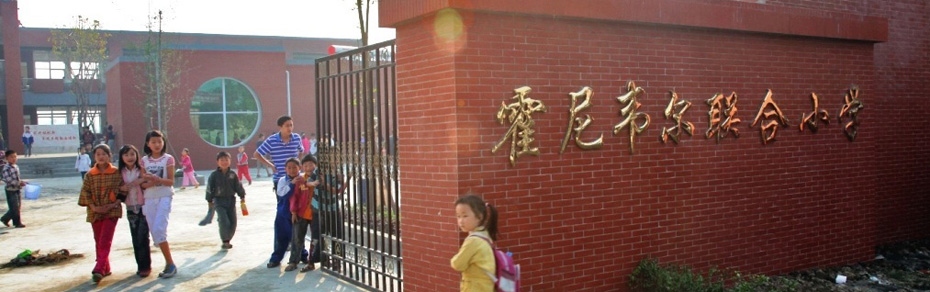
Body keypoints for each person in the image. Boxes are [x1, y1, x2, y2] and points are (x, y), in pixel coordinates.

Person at [78, 144, 123, 283]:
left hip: (112, 211)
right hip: (95, 211)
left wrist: (112, 204)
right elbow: (85, 192)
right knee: (98, 240)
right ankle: (106, 267)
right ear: (94, 157)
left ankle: (98, 268)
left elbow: (122, 191)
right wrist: (94, 207)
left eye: (104, 154)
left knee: (105, 239)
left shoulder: (116, 173)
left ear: (110, 156)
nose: (101, 156)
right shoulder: (89, 175)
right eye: (98, 154)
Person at [140, 130, 178, 278]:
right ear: (148, 144)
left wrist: (157, 180)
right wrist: (149, 182)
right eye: (153, 142)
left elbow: (170, 181)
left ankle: (170, 264)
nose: (157, 145)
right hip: (149, 198)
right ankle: (169, 263)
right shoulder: (144, 161)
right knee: (154, 232)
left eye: (159, 141)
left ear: (163, 143)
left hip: (164, 197)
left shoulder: (168, 159)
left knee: (159, 229)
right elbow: (143, 184)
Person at [451, 194, 499, 292]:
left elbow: (457, 264)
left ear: (479, 217)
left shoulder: (473, 241)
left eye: (465, 216)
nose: (461, 221)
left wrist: (454, 259)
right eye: (458, 216)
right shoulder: (485, 236)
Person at [117, 145, 152, 278]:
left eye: (132, 154)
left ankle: (146, 267)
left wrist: (135, 182)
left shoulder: (142, 168)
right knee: (135, 238)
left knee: (143, 237)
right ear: (122, 157)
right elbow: (118, 188)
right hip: (130, 208)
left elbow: (147, 178)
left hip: (143, 206)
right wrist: (122, 188)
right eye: (126, 155)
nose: (130, 157)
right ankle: (140, 266)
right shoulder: (120, 172)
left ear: (136, 155)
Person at [267, 158, 308, 268]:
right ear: (285, 169)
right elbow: (282, 194)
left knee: (296, 237)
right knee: (280, 237)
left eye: (294, 167)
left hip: (297, 214)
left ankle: (303, 256)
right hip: (283, 213)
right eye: (289, 168)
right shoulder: (282, 180)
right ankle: (275, 259)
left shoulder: (303, 179)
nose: (292, 170)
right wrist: (292, 185)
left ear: (299, 168)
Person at [310, 152, 346, 269]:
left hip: (333, 209)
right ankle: (323, 260)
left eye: (335, 159)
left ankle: (337, 261)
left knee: (336, 236)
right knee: (320, 235)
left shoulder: (338, 174)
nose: (333, 162)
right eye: (330, 159)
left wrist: (325, 184)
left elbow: (338, 190)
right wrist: (314, 183)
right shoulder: (317, 171)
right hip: (318, 209)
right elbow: (308, 182)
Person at [205, 151, 246, 250]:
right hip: (218, 201)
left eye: (226, 160)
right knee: (223, 220)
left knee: (233, 222)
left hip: (231, 201)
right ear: (217, 162)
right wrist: (209, 200)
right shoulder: (214, 175)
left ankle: (228, 238)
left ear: (230, 161)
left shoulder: (233, 174)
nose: (224, 162)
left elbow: (238, 186)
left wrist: (242, 196)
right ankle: (225, 241)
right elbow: (209, 188)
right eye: (222, 160)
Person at [286, 155, 319, 272]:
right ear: (302, 167)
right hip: (301, 213)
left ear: (316, 166)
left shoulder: (320, 179)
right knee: (297, 238)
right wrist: (293, 212)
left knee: (315, 239)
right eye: (305, 165)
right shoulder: (300, 180)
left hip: (315, 214)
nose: (308, 167)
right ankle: (293, 261)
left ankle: (311, 263)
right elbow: (294, 197)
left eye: (311, 165)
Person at [255, 115, 304, 194]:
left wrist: (299, 163)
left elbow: (301, 151)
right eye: (287, 126)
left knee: (297, 204)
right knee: (282, 205)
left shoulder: (296, 138)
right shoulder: (272, 140)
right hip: (279, 177)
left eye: (291, 125)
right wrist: (271, 165)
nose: (290, 128)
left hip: (295, 178)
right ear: (280, 127)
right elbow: (257, 154)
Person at [1, 150, 26, 228]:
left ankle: (5, 219)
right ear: (7, 158)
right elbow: (8, 180)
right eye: (11, 157)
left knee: (17, 207)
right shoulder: (6, 168)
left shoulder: (16, 166)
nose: (14, 158)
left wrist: (21, 182)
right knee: (14, 207)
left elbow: (17, 178)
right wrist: (18, 183)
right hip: (10, 190)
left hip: (17, 189)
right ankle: (17, 223)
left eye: (15, 156)